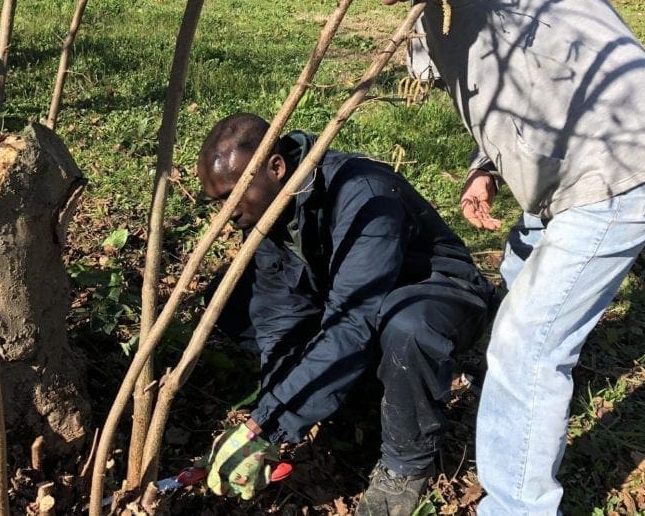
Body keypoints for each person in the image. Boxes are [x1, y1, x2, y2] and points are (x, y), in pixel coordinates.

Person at [206, 0, 645, 514]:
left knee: (528, 347)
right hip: (574, 161)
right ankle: (484, 384)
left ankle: (516, 501)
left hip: (626, 160)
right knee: (519, 295)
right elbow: (503, 81)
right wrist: (484, 166)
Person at [199, 113, 496, 514]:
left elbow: (354, 318)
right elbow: (276, 317)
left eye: (232, 196)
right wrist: (267, 417)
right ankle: (362, 381)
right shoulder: (270, 205)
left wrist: (267, 424)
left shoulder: (364, 193)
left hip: (435, 289)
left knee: (405, 328)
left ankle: (407, 464)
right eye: (217, 202)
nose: (226, 213)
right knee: (232, 298)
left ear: (276, 166)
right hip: (351, 293)